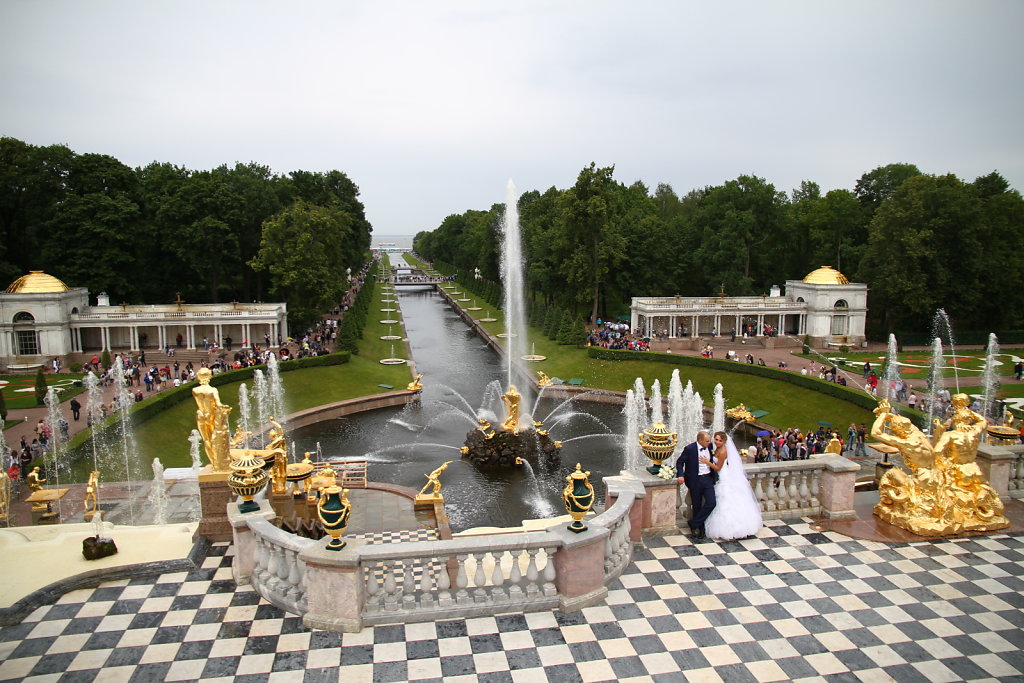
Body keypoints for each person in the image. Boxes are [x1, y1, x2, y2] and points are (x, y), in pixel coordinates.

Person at [704, 431, 763, 541]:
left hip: (724, 476)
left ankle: (732, 529)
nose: (717, 442)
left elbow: (718, 468)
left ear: (724, 441)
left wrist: (706, 462)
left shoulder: (723, 452)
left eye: (720, 440)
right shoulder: (716, 448)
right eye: (716, 439)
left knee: (726, 501)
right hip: (721, 475)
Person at [674, 431, 717, 539]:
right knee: (696, 505)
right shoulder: (690, 449)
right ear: (700, 440)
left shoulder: (710, 446)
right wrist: (680, 475)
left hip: (707, 478)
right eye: (707, 441)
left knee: (711, 502)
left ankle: (694, 523)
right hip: (695, 480)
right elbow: (680, 462)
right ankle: (699, 529)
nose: (709, 442)